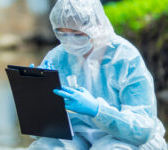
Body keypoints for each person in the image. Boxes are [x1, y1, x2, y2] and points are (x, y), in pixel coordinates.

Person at [28, 0, 167, 149]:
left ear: (97, 26)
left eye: (77, 34)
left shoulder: (125, 57)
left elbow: (142, 130)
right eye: (62, 33)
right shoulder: (57, 57)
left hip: (124, 138)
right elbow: (41, 133)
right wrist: (38, 98)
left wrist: (97, 110)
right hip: (77, 138)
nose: (69, 41)